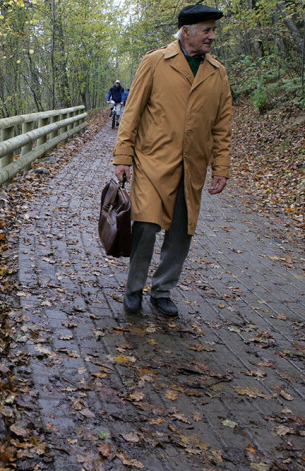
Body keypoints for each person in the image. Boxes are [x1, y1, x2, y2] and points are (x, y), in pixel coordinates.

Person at [112, 4, 232, 317]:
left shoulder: (217, 73)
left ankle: (162, 290)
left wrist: (221, 167)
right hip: (154, 162)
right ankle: (134, 289)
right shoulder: (155, 61)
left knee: (181, 232)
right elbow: (133, 113)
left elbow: (222, 126)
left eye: (212, 30)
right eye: (206, 30)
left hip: (192, 167)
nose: (212, 36)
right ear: (186, 30)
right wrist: (123, 157)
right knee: (147, 225)